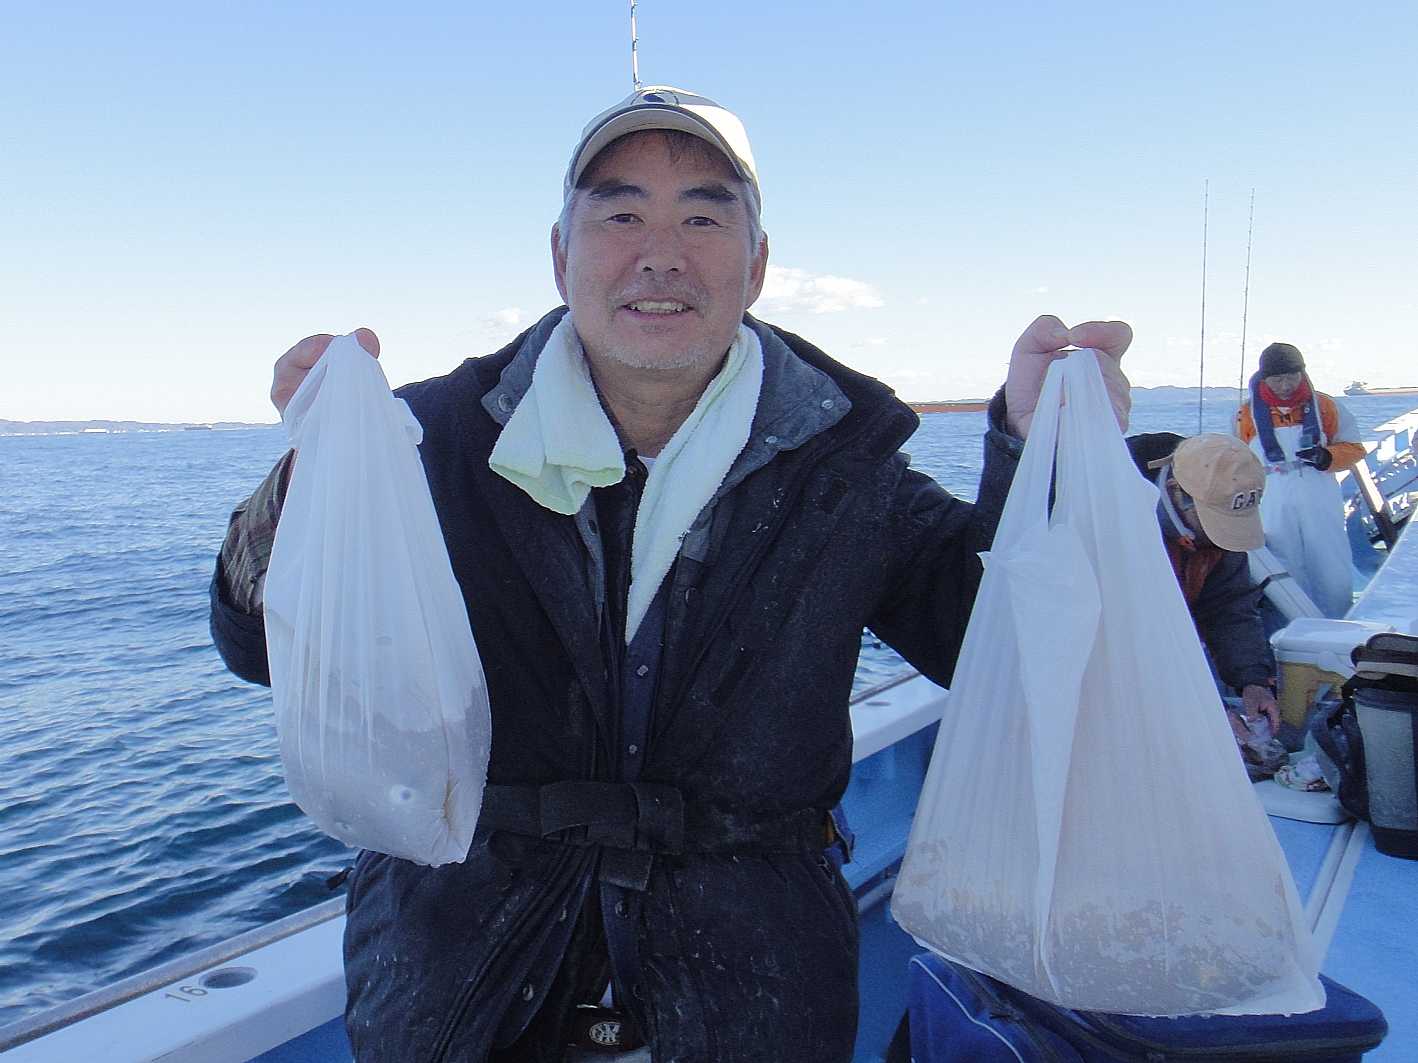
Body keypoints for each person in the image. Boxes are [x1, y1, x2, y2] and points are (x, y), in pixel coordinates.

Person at [209, 85, 1131, 1063]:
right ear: (560, 255)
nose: (660, 254)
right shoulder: (426, 441)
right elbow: (257, 649)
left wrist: (1039, 459)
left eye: (702, 216)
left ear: (756, 264)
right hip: (460, 996)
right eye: (619, 215)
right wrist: (313, 486)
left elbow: (1003, 657)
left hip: (755, 1005)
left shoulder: (845, 464)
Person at [1126, 433, 1283, 769]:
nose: (1221, 534)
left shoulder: (1217, 539)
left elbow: (1230, 607)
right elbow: (1129, 643)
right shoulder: (1119, 525)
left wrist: (1252, 680)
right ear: (1178, 495)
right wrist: (1200, 708)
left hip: (1167, 672)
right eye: (1215, 520)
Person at [1236, 341, 1366, 618]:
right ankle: (1295, 624)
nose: (1285, 385)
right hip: (1273, 496)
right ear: (1264, 378)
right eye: (1277, 379)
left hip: (1318, 491)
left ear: (1302, 373)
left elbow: (1355, 448)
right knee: (1284, 560)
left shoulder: (1327, 407)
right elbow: (1238, 458)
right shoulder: (1246, 414)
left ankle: (1338, 619)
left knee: (1330, 561)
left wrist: (1328, 457)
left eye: (1292, 377)